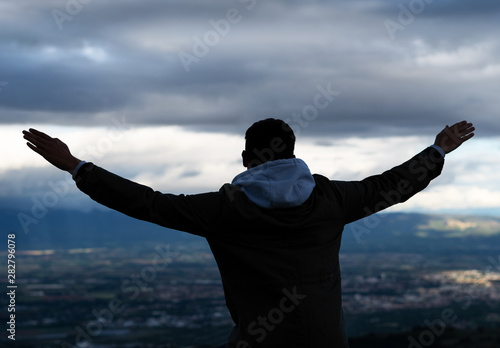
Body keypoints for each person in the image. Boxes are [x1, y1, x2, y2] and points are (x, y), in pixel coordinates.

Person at [22, 119, 475, 347]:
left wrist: (76, 166)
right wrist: (438, 149)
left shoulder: (224, 210)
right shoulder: (331, 200)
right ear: (294, 152)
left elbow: (148, 203)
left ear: (245, 158)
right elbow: (391, 186)